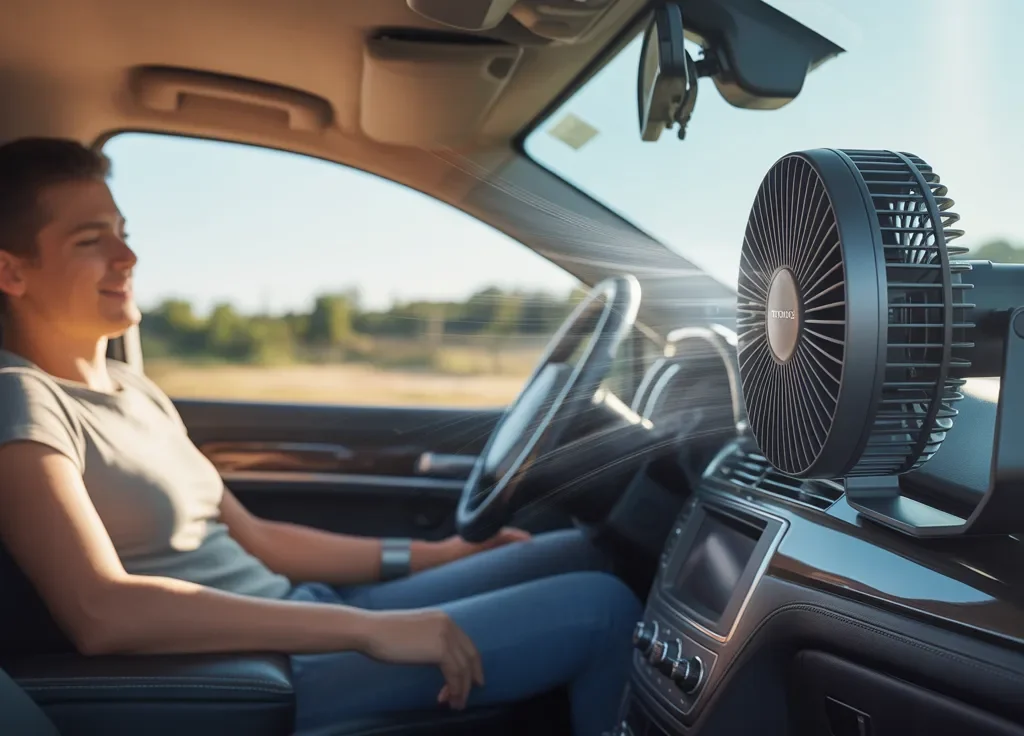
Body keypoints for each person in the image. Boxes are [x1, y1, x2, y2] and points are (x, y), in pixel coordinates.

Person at [0, 137, 642, 735]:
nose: (128, 258)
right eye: (91, 240)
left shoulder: (132, 388)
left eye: (124, 234)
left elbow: (258, 540)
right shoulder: (20, 398)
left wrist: (438, 554)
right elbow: (102, 612)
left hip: (301, 611)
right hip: (262, 667)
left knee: (577, 552)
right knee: (602, 607)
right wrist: (363, 629)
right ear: (12, 272)